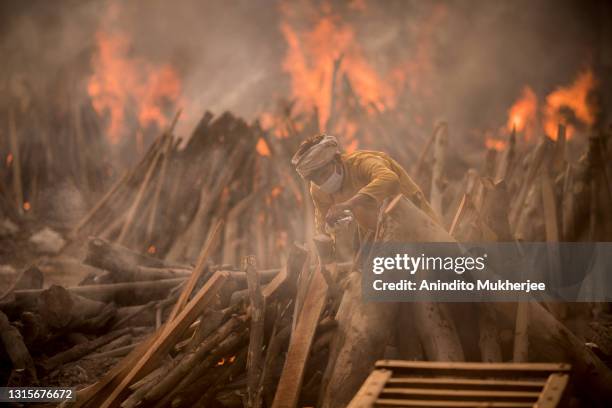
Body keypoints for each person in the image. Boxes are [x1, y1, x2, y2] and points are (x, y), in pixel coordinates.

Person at [291, 134, 439, 238]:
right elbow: (321, 226)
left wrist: (348, 204)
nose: (322, 182)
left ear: (336, 160)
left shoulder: (362, 163)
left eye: (324, 174)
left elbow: (389, 178)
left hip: (416, 220)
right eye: (316, 180)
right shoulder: (317, 189)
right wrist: (329, 231)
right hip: (378, 235)